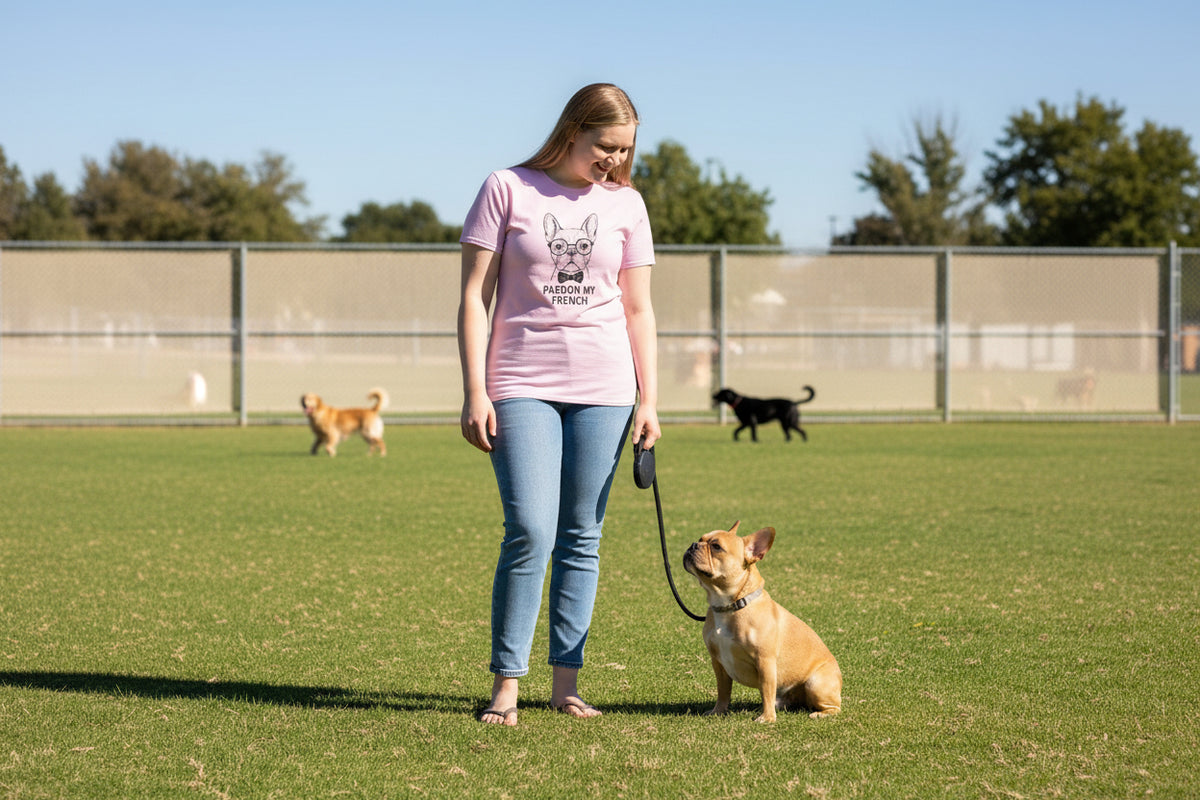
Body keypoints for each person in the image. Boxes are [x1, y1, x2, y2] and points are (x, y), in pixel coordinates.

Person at [457, 83, 660, 726]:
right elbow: (472, 298)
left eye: (624, 150)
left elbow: (638, 308)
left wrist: (650, 399)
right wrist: (473, 389)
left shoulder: (627, 204)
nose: (614, 160)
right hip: (519, 382)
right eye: (605, 145)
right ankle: (507, 684)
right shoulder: (505, 188)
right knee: (531, 531)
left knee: (583, 536)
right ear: (573, 130)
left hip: (606, 388)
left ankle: (566, 686)